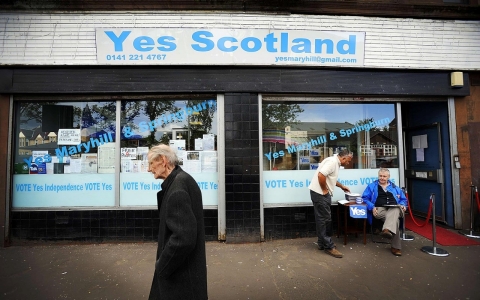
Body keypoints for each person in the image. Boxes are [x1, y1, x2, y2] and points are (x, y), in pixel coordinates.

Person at [147, 144, 208, 300]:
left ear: (163, 160)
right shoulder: (183, 179)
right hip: (188, 273)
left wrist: (162, 267)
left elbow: (183, 238)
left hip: (180, 279)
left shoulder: (177, 189)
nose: (149, 169)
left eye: (151, 163)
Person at [308, 149, 353, 258]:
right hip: (320, 194)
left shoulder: (333, 161)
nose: (348, 163)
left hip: (317, 193)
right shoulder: (333, 162)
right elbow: (321, 175)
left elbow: (329, 178)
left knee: (322, 219)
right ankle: (329, 246)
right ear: (343, 158)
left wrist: (342, 186)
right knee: (325, 220)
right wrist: (324, 190)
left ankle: (322, 243)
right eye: (348, 161)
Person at [361, 168, 408, 256]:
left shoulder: (394, 187)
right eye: (380, 176)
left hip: (395, 208)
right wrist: (372, 206)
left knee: (396, 208)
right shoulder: (372, 186)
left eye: (384, 176)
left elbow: (403, 200)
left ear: (388, 177)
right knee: (395, 221)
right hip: (379, 209)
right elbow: (364, 198)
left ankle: (387, 230)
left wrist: (402, 205)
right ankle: (395, 247)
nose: (382, 178)